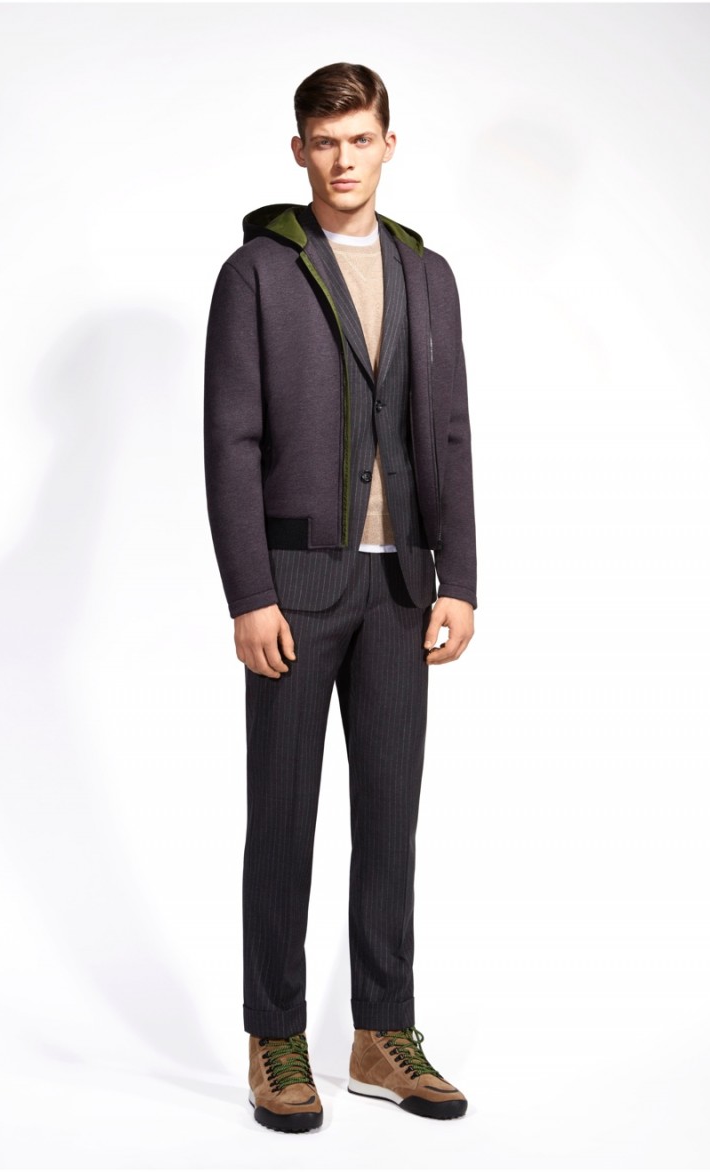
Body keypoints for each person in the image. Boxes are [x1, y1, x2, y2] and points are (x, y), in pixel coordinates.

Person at [203, 62, 477, 1133]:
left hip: (402, 585)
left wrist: (460, 576)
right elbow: (231, 441)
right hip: (296, 584)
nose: (343, 159)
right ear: (299, 152)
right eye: (325, 142)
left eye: (360, 139)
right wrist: (249, 591)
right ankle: (275, 1035)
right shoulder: (256, 273)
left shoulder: (427, 274)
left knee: (390, 816)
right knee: (281, 816)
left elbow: (448, 429)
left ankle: (379, 1032)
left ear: (388, 145)